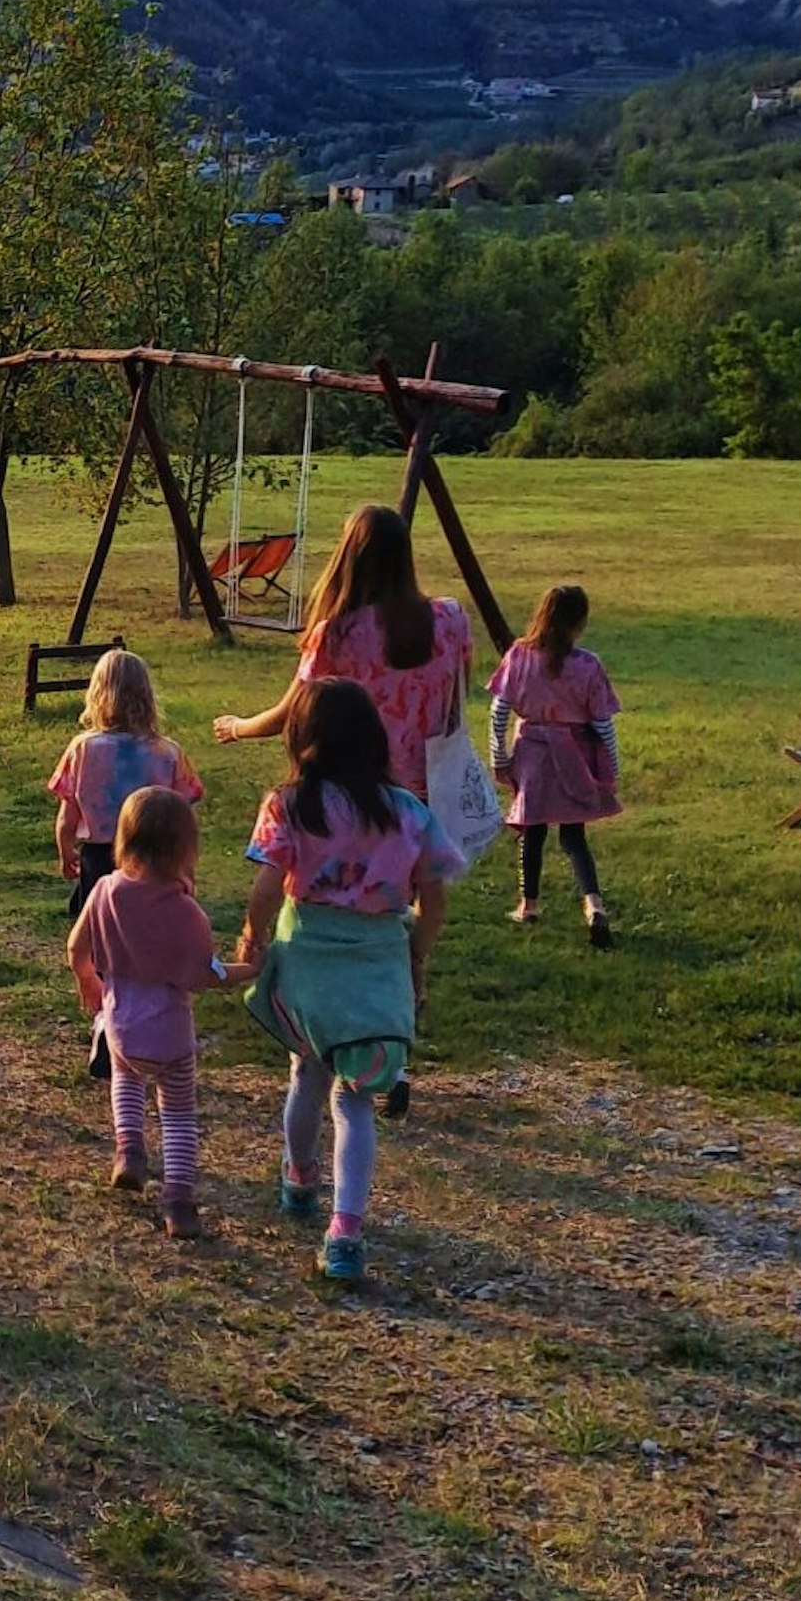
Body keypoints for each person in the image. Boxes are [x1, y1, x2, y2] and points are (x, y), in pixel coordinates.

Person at [229, 677, 464, 1286]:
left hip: (307, 951)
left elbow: (264, 884)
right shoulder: (407, 811)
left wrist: (253, 939)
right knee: (355, 1098)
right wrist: (415, 956)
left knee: (305, 1073)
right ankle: (346, 1232)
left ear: (300, 736)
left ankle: (299, 1176)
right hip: (378, 955)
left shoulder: (291, 803)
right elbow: (434, 898)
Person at [212, 502, 472, 801]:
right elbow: (456, 695)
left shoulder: (337, 635)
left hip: (363, 792)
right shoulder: (451, 617)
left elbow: (290, 713)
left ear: (349, 556)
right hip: (436, 784)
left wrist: (236, 728)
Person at [65, 785, 227, 1239]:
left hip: (120, 1026)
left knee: (126, 1081)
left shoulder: (104, 892)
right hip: (171, 1036)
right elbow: (199, 975)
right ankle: (178, 1201)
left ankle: (129, 1152)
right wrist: (244, 971)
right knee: (177, 1113)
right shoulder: (186, 912)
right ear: (185, 849)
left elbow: (77, 948)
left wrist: (88, 980)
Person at [490, 583, 620, 947]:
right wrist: (611, 764)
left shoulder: (519, 656)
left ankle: (527, 904)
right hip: (573, 755)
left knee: (532, 831)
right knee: (574, 836)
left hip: (532, 753)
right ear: (579, 623)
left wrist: (498, 755)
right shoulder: (588, 666)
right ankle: (594, 905)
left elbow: (499, 711)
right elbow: (602, 724)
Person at [50, 648, 205, 917]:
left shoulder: (82, 749)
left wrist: (66, 850)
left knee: (100, 927)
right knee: (151, 925)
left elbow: (68, 815)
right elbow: (183, 819)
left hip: (98, 857)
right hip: (156, 857)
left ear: (96, 694)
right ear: (147, 696)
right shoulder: (168, 753)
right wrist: (186, 868)